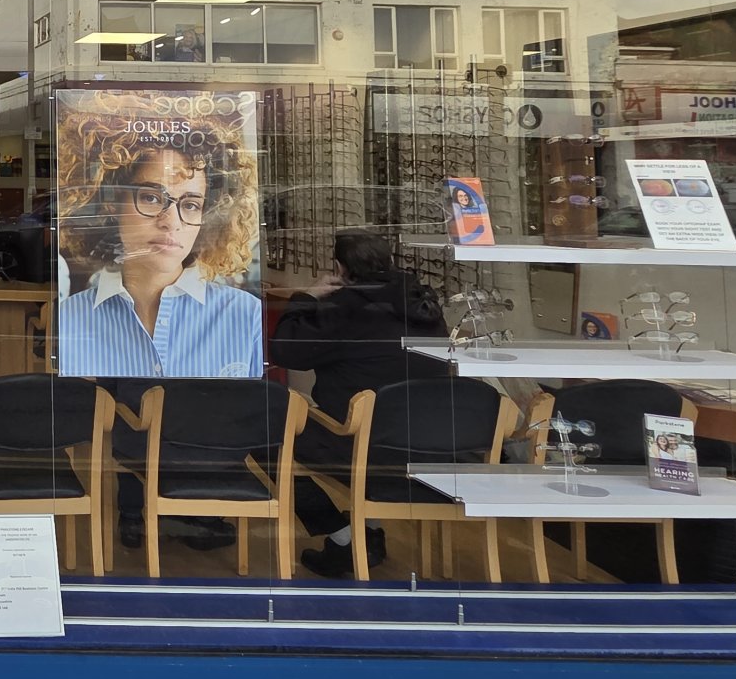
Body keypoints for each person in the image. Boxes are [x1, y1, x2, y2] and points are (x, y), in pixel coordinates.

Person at [55, 136, 263, 552]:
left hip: (214, 452)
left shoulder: (244, 315)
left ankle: (190, 513)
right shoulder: (74, 315)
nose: (171, 223)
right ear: (111, 202)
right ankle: (138, 514)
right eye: (152, 197)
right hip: (133, 448)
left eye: (190, 205)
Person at [271, 230, 448, 576]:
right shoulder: (425, 305)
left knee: (267, 431)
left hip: (363, 446)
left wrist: (306, 297)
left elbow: (285, 351)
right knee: (377, 419)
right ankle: (367, 531)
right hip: (430, 446)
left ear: (339, 267)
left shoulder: (346, 308)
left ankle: (343, 537)